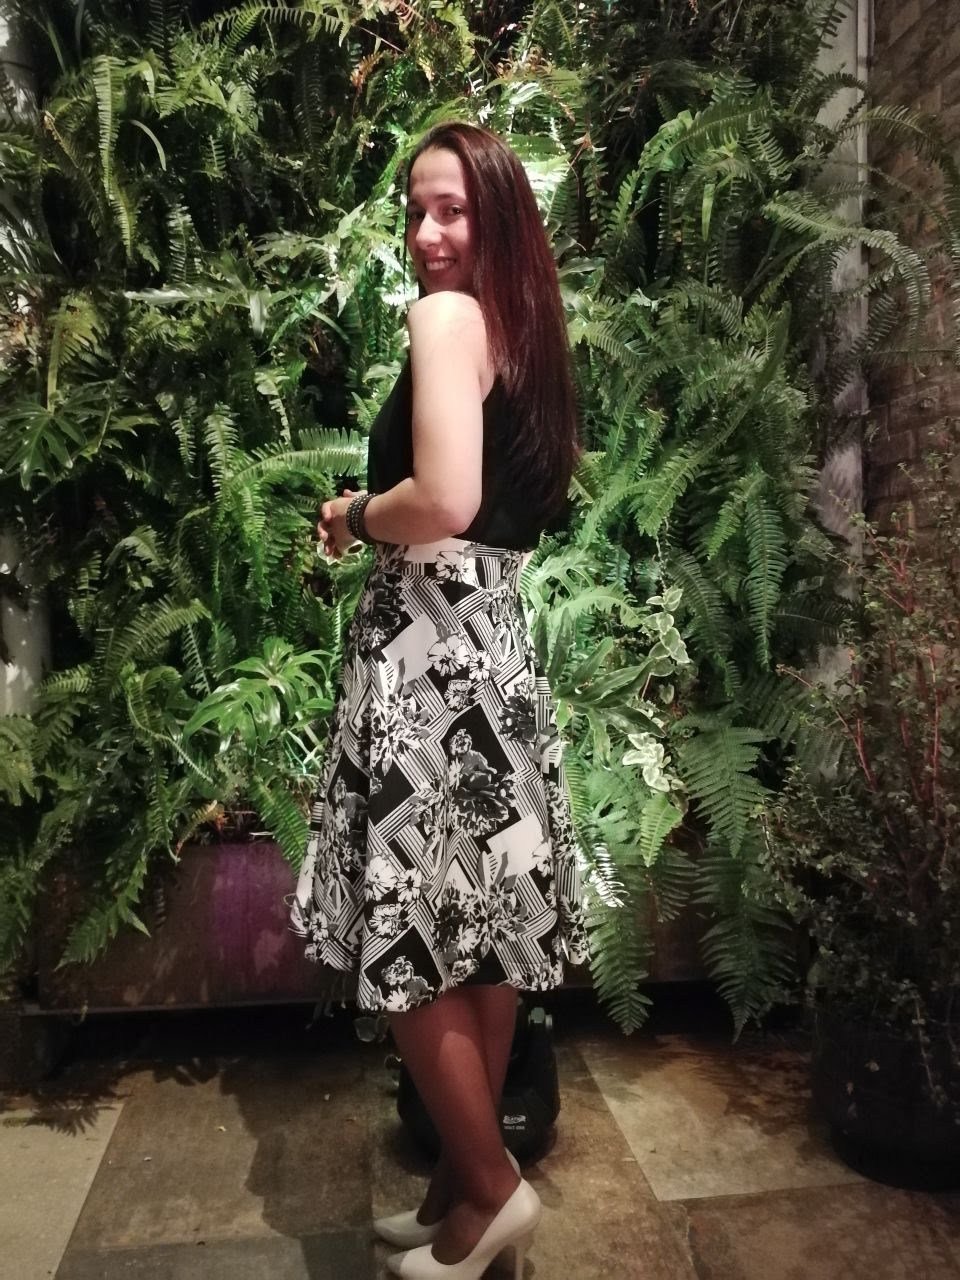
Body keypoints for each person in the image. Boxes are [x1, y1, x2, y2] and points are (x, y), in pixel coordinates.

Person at [288, 120, 589, 1280]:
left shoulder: (446, 318)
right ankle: (461, 1191)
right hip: (495, 642)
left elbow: (445, 496)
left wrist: (354, 513)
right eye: (415, 210)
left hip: (427, 647)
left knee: (408, 930)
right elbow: (492, 498)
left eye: (451, 209)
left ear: (497, 215)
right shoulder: (523, 327)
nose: (424, 232)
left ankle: (496, 1187)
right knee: (481, 931)